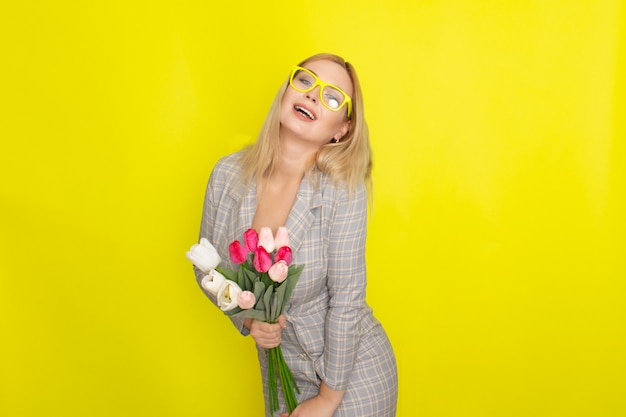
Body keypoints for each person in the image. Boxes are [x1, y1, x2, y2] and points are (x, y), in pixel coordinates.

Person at [193, 52, 398, 417]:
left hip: (348, 375)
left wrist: (327, 400)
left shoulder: (342, 190)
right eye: (305, 81)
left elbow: (347, 300)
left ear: (342, 129)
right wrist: (250, 319)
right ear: (287, 91)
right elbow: (207, 270)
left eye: (333, 96)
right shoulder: (226, 175)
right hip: (279, 374)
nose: (314, 95)